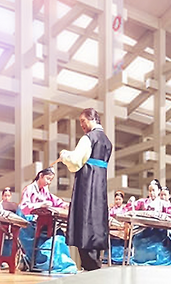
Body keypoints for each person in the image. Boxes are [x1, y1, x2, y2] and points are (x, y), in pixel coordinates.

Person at [53, 107, 113, 272]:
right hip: (100, 184)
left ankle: (90, 266)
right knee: (97, 219)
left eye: (83, 121)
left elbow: (76, 161)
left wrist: (64, 155)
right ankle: (95, 263)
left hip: (87, 184)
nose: (82, 125)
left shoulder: (88, 138)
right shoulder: (107, 141)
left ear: (92, 119)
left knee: (84, 218)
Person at [17, 168, 75, 274]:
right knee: (50, 238)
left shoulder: (45, 191)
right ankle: (44, 263)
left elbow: (55, 201)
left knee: (59, 235)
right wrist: (40, 205)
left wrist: (65, 205)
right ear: (41, 176)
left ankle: (61, 264)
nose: (49, 182)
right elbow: (24, 207)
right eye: (48, 179)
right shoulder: (29, 189)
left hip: (42, 222)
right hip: (28, 224)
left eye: (50, 180)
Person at [126, 179, 171, 265]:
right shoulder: (143, 202)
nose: (151, 193)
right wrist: (131, 203)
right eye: (150, 190)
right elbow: (131, 208)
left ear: (158, 191)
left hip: (158, 235)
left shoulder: (163, 204)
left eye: (153, 190)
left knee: (161, 248)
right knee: (138, 242)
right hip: (144, 233)